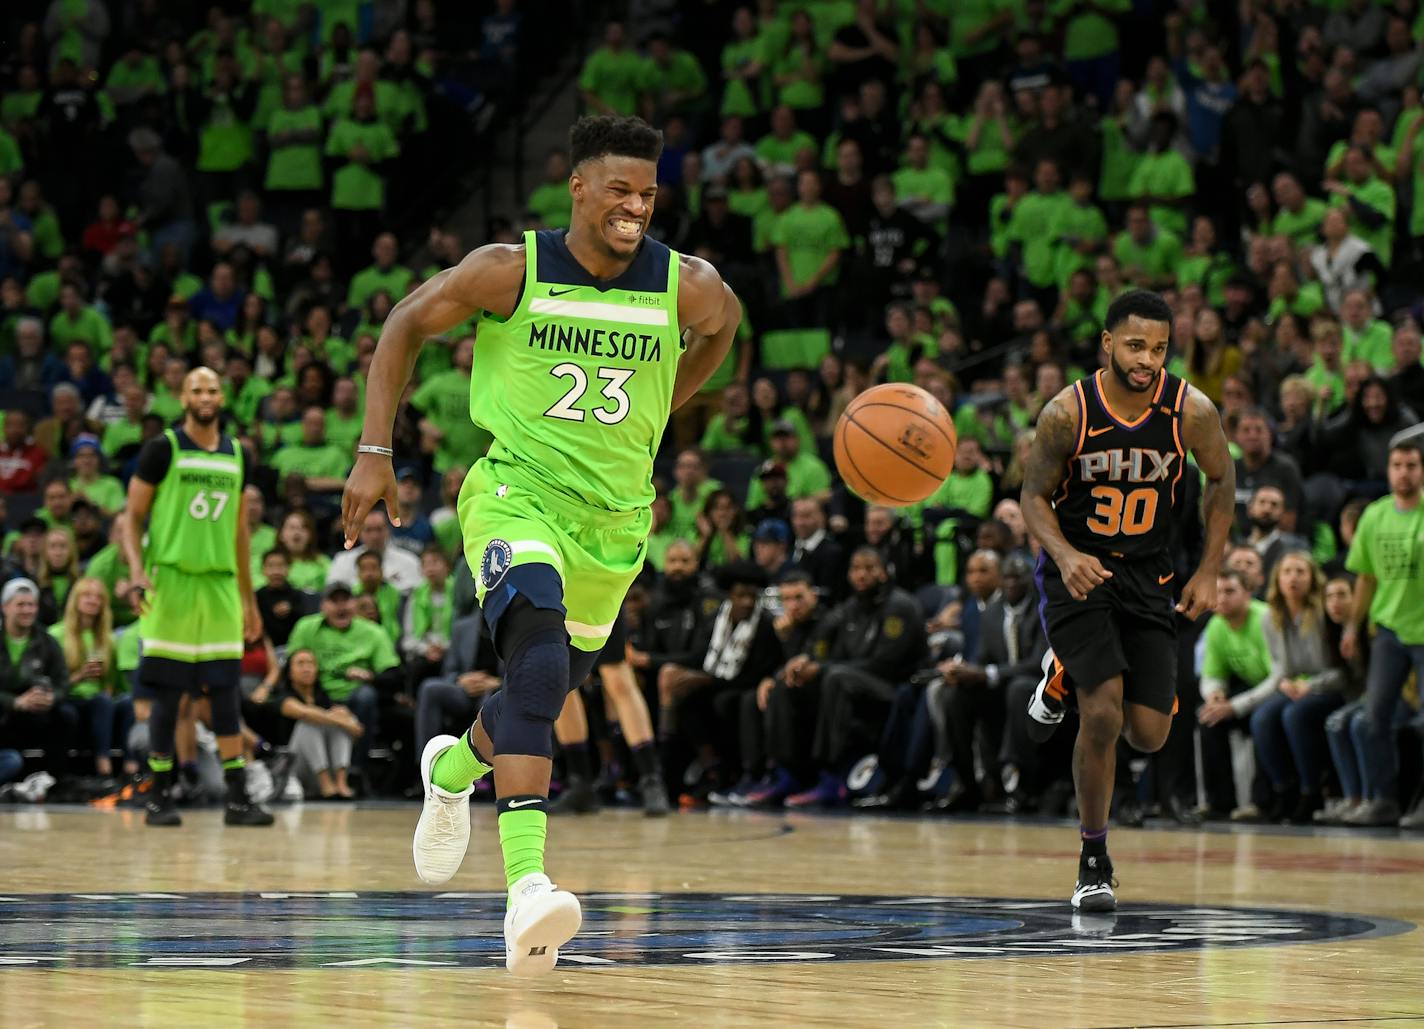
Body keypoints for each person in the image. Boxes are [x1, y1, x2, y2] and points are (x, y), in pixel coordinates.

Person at [341, 115, 740, 976]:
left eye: (648, 191)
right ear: (579, 188)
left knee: (551, 684)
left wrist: (663, 405)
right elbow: (405, 323)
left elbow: (726, 328)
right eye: (620, 189)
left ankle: (451, 766)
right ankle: (527, 889)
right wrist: (375, 453)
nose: (636, 205)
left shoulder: (687, 283)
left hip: (617, 520)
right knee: (535, 671)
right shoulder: (509, 269)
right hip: (515, 493)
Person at [1021, 290, 1235, 911]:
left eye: (1161, 348)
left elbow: (1221, 478)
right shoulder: (1067, 412)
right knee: (1105, 715)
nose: (1148, 359)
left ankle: (1058, 671)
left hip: (1149, 575)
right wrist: (1064, 556)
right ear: (1108, 342)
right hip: (1080, 573)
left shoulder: (1189, 410)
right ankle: (1094, 858)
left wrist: (1209, 571)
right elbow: (1033, 497)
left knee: (1148, 735)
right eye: (1137, 345)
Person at [121, 367, 272, 828]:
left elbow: (240, 533)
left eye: (212, 388)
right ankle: (159, 794)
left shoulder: (237, 454)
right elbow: (131, 518)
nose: (205, 396)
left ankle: (238, 798)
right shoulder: (162, 448)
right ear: (182, 396)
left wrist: (249, 601)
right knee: (169, 695)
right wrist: (136, 572)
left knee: (225, 694)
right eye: (196, 389)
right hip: (173, 581)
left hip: (221, 585)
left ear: (222, 396)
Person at [1341, 437, 1424, 827]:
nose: (1403, 473)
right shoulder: (1374, 515)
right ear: (1388, 470)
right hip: (1388, 630)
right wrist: (1352, 627)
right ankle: (1384, 800)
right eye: (1397, 465)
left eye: (1411, 465)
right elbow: (1366, 578)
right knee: (1373, 718)